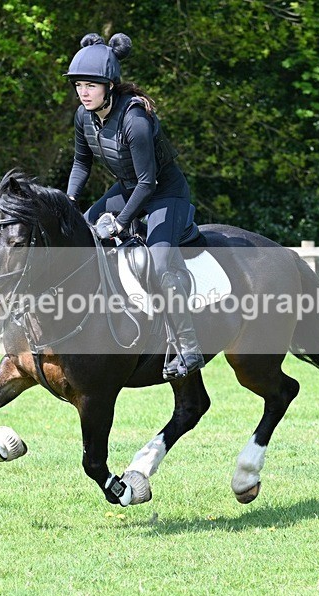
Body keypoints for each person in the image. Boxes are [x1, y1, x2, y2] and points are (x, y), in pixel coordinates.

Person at [64, 32, 205, 380]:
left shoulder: (134, 119)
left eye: (91, 85)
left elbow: (148, 182)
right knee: (80, 234)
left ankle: (188, 347)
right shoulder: (84, 117)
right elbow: (81, 164)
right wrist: (69, 204)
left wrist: (120, 222)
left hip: (164, 193)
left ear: (109, 86)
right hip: (129, 189)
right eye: (79, 85)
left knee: (159, 263)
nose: (83, 92)